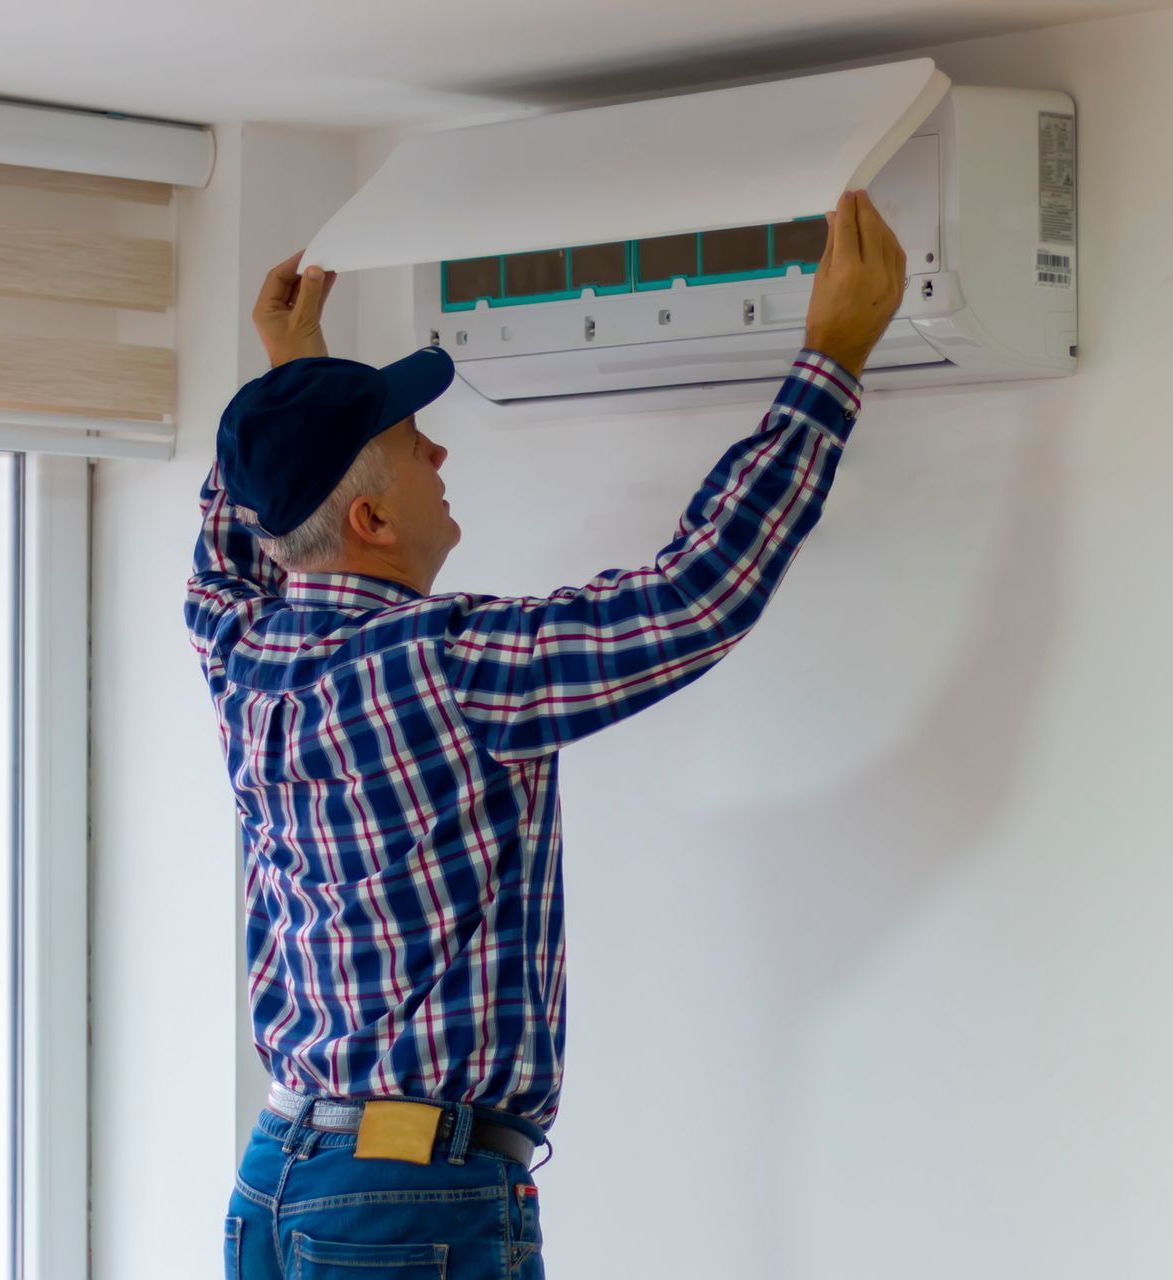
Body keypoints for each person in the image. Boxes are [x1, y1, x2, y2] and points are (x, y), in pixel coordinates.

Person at [189, 190, 910, 1279]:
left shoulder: (240, 651)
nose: (438, 452)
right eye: (411, 440)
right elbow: (689, 600)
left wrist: (297, 374)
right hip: (405, 1201)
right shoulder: (447, 669)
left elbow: (252, 519)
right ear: (373, 521)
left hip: (284, 1180)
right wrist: (831, 361)